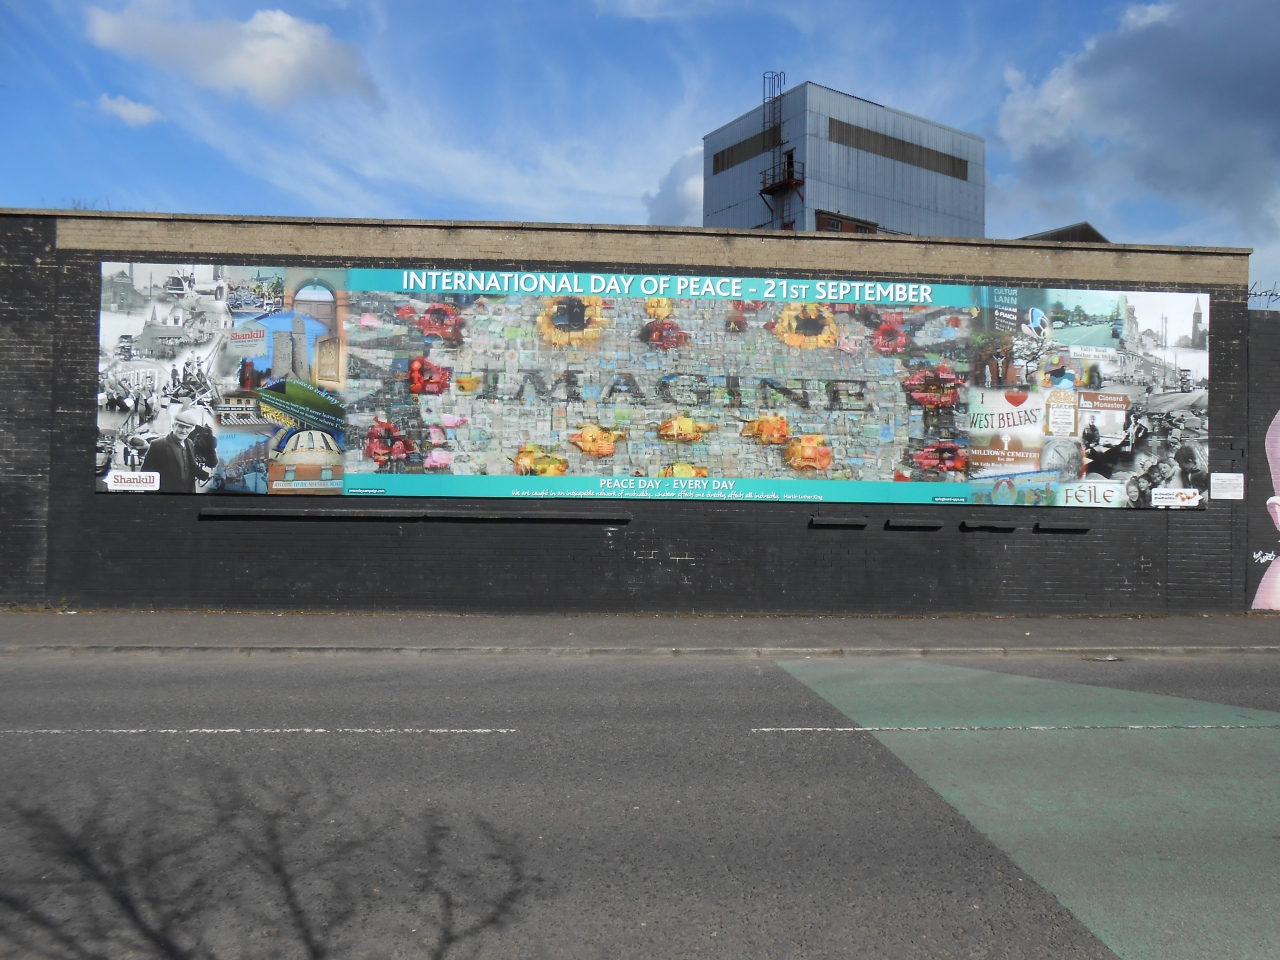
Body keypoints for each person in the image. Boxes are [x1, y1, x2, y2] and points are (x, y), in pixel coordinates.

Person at [141, 407, 210, 493]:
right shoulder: (157, 445)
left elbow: (191, 466)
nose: (184, 431)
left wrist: (207, 476)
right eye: (180, 426)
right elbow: (146, 474)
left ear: (191, 430)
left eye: (188, 428)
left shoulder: (190, 443)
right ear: (173, 426)